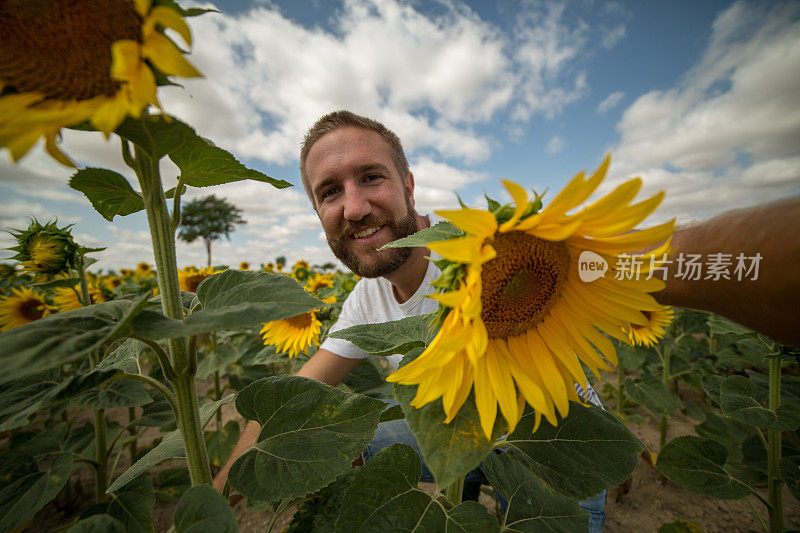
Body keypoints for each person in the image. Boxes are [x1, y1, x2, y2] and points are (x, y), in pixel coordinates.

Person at [215, 110, 800, 528]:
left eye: (371, 177)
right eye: (329, 191)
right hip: (468, 432)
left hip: (562, 439)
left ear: (408, 185)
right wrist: (214, 499)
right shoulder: (366, 304)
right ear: (318, 212)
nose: (356, 205)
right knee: (348, 437)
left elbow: (649, 265)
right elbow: (295, 401)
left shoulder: (493, 244)